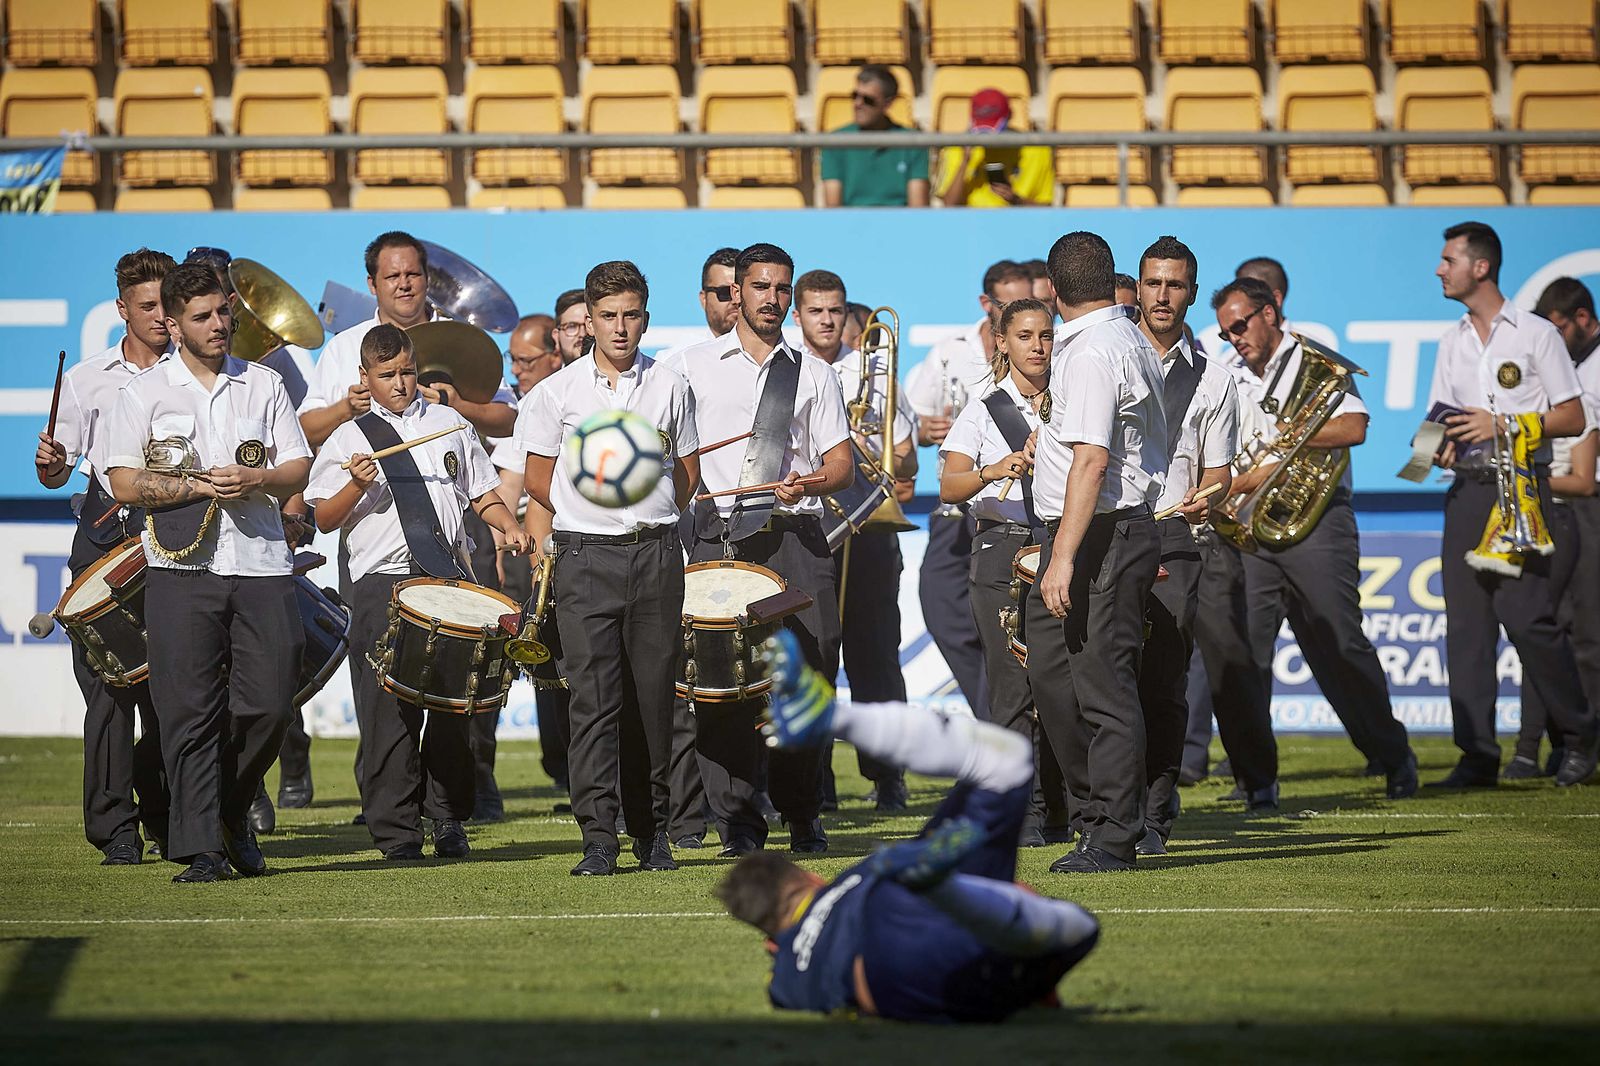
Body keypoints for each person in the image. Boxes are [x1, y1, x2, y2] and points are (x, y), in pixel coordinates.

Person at [717, 629, 1101, 1023]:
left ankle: (957, 895)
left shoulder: (785, 983)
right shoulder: (856, 880)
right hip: (894, 904)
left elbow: (791, 980)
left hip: (902, 984)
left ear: (769, 940)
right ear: (811, 877)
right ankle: (837, 718)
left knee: (1059, 929)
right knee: (1007, 762)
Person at [105, 263, 311, 883]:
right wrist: (195, 485)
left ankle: (229, 811)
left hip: (262, 565)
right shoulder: (140, 394)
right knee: (187, 711)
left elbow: (297, 468)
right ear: (171, 325)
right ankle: (204, 850)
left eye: (224, 312)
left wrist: (256, 479)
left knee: (270, 705)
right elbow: (121, 480)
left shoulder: (264, 384)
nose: (220, 324)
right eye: (203, 317)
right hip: (180, 568)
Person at [305, 324, 530, 860]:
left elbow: (482, 494)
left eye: (406, 371)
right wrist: (356, 485)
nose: (401, 383)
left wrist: (509, 527)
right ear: (366, 377)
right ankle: (396, 832)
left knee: (453, 708)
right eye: (387, 376)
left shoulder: (448, 422)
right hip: (382, 583)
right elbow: (324, 517)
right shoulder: (349, 437)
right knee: (387, 712)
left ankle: (448, 818)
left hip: (449, 578)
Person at [661, 242, 854, 856]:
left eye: (782, 289)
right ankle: (737, 824)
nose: (772, 299)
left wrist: (812, 481)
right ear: (735, 293)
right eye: (760, 287)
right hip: (718, 533)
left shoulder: (815, 372)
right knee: (720, 684)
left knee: (811, 676)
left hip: (797, 533)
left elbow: (841, 465)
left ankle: (802, 815)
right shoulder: (684, 366)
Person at [517, 261, 700, 876]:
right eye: (608, 316)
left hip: (655, 555)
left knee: (654, 701)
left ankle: (653, 833)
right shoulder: (555, 393)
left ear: (645, 317)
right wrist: (598, 501)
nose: (621, 328)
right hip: (585, 558)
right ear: (588, 321)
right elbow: (539, 480)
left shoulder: (671, 386)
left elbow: (688, 473)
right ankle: (599, 836)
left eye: (631, 315)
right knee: (593, 703)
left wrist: (645, 505)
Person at [1212, 276, 1419, 800]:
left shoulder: (1315, 365)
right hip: (1249, 531)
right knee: (1245, 657)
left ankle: (1393, 755)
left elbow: (1354, 428)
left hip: (1317, 524)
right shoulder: (1226, 374)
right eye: (1225, 331)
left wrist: (1282, 447)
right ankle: (1255, 779)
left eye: (1241, 325)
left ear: (1270, 313)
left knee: (1340, 646)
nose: (1235, 337)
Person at [1425, 222, 1598, 788]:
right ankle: (1477, 755)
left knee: (1530, 622)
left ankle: (1580, 736)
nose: (1439, 268)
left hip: (1521, 489)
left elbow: (1572, 418)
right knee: (1466, 631)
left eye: (1449, 259)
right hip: (1467, 493)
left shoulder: (1536, 334)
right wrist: (1428, 455)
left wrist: (1502, 425)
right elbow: (1439, 417)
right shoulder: (1452, 339)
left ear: (1481, 267)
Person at [1024, 231, 1166, 875]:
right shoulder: (1125, 335)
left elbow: (1091, 459)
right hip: (1102, 531)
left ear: (1052, 292)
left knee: (1103, 690)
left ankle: (1114, 833)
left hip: (1099, 535)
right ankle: (1098, 817)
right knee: (1057, 679)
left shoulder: (1090, 350)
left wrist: (1062, 557)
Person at [35, 247, 174, 866]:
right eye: (147, 306)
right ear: (122, 308)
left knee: (176, 694)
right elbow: (56, 468)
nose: (161, 318)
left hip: (175, 538)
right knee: (107, 695)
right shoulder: (87, 377)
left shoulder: (195, 374)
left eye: (168, 305)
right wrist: (49, 467)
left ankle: (172, 817)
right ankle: (115, 828)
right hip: (102, 542)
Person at [1125, 236, 1237, 854]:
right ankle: (1103, 808)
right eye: (1153, 283)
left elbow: (1218, 474)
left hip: (1175, 535)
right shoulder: (1102, 358)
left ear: (1191, 292)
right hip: (1109, 527)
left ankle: (1155, 816)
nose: (1162, 295)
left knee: (1164, 680)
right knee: (1105, 679)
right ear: (1137, 288)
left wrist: (1211, 496)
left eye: (1175, 285)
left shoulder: (1215, 381)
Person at [793, 269, 918, 811]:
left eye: (835, 310)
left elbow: (907, 456)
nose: (827, 319)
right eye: (816, 310)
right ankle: (814, 778)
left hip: (868, 528)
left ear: (847, 316)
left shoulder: (877, 376)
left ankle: (887, 775)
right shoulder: (784, 372)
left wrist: (866, 436)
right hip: (809, 530)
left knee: (875, 658)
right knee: (812, 658)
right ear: (798, 315)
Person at [938, 297, 1059, 845]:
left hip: (1061, 545)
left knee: (1065, 686)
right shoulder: (984, 409)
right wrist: (995, 469)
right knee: (1012, 689)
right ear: (1002, 343)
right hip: (1002, 549)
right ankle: (1022, 813)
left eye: (1046, 335)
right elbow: (950, 484)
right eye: (1026, 336)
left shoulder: (1073, 402)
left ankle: (1069, 807)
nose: (1038, 346)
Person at [904, 260, 1035, 717]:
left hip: (1020, 514)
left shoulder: (1041, 352)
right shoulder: (949, 351)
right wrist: (928, 428)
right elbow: (910, 423)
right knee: (941, 610)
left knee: (1019, 631)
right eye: (1007, 303)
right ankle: (994, 716)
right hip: (959, 509)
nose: (1018, 310)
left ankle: (1011, 725)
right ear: (986, 304)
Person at [299, 232, 516, 448]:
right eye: (392, 276)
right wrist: (346, 408)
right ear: (372, 284)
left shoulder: (464, 340)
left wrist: (457, 404)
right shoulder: (344, 346)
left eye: (412, 274)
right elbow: (306, 430)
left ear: (428, 279)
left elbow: (509, 421)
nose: (404, 284)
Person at [1532, 277, 1600, 735]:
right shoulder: (1566, 363)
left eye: (1556, 330)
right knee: (1550, 623)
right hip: (1562, 503)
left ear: (1581, 319)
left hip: (1588, 500)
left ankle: (1585, 735)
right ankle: (1554, 739)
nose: (1549, 344)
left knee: (1589, 631)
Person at [819, 64, 930, 208]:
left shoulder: (913, 143)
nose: (858, 104)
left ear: (888, 103)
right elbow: (833, 210)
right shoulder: (835, 142)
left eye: (868, 100)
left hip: (898, 225)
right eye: (855, 96)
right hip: (853, 226)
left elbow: (918, 210)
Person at [936, 91, 1053, 208]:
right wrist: (965, 161)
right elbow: (949, 205)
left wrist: (1016, 200)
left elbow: (1046, 208)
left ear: (1010, 115)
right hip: (971, 222)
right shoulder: (955, 150)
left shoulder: (1038, 150)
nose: (988, 136)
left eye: (993, 128)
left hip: (1018, 221)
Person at [659, 248, 741, 361]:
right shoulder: (675, 360)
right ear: (704, 299)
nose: (735, 300)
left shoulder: (772, 357)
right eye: (725, 292)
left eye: (741, 292)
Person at [509, 313, 560, 395]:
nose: (515, 370)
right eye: (513, 359)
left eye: (524, 361)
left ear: (556, 357)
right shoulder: (505, 403)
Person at [553, 288, 591, 365]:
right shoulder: (551, 377)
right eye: (571, 326)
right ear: (556, 337)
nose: (583, 334)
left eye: (589, 324)